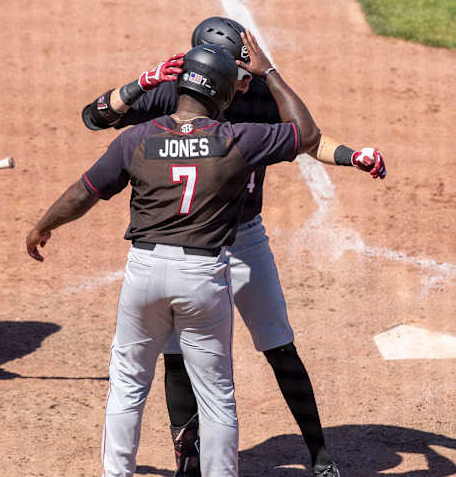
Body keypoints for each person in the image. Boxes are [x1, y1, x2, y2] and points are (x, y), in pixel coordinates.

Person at [28, 31, 384, 476]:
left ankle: (319, 456)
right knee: (195, 371)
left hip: (213, 246)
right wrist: (142, 82)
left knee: (269, 344)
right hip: (205, 258)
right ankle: (190, 460)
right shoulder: (203, 108)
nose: (244, 80)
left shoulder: (206, 108)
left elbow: (313, 141)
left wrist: (352, 156)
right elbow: (95, 117)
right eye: (236, 70)